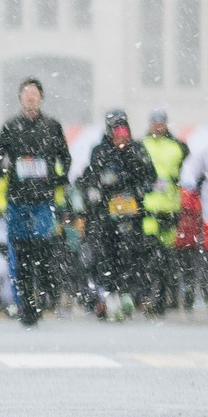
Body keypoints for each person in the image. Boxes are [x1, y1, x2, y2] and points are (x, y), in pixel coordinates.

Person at [0, 77, 71, 326]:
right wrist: (2, 171)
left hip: (43, 200)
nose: (30, 98)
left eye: (34, 94)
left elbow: (65, 159)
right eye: (26, 94)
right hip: (18, 200)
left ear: (41, 98)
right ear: (20, 98)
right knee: (21, 253)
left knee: (43, 249)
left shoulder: (52, 127)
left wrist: (56, 177)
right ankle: (26, 304)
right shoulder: (11, 127)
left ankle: (45, 294)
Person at [82, 108, 156, 319]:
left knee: (131, 254)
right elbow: (92, 177)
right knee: (106, 254)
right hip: (106, 214)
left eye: (122, 126)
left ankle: (128, 294)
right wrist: (97, 191)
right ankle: (109, 295)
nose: (119, 133)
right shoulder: (100, 151)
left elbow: (150, 175)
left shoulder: (137, 149)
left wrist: (139, 186)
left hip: (132, 214)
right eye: (115, 127)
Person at [140, 109, 186, 312]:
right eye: (155, 122)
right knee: (149, 256)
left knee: (168, 257)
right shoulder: (142, 146)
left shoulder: (178, 146)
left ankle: (168, 297)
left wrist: (176, 180)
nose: (158, 126)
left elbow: (187, 172)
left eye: (161, 123)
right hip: (148, 208)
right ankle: (152, 297)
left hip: (169, 208)